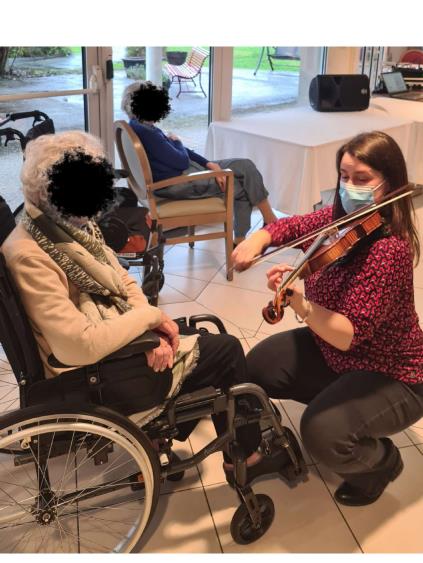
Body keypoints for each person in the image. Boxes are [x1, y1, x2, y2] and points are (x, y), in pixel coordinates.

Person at [0, 130, 290, 482]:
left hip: (104, 342)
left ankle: (156, 440)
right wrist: (148, 324)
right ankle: (247, 456)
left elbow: (121, 279)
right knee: (225, 351)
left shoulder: (61, 226)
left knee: (190, 333)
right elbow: (77, 345)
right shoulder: (30, 255)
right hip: (87, 374)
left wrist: (150, 324)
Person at [233, 130, 423, 506]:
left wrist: (301, 305)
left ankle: (381, 464)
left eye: (362, 179)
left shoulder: (389, 250)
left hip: (391, 372)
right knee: (256, 368)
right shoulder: (339, 220)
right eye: (344, 176)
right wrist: (259, 239)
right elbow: (292, 226)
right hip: (337, 354)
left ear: (389, 184)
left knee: (321, 432)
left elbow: (349, 333)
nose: (349, 186)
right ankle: (260, 450)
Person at [121, 81, 277, 245]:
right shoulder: (148, 134)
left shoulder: (139, 126)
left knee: (245, 165)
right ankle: (247, 237)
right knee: (241, 188)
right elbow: (181, 161)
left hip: (184, 173)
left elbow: (182, 153)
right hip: (176, 182)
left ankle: (268, 223)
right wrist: (177, 141)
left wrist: (209, 164)